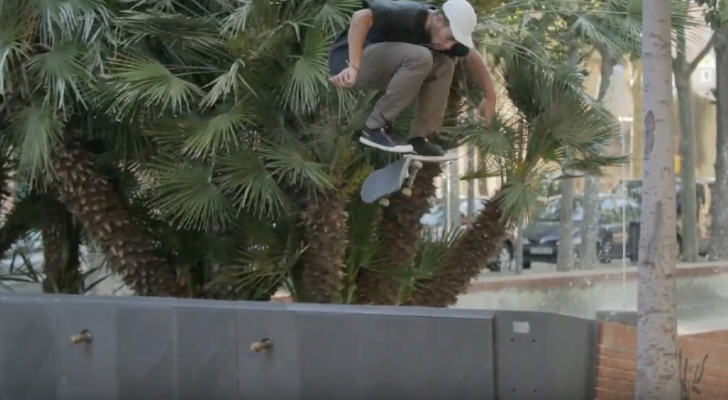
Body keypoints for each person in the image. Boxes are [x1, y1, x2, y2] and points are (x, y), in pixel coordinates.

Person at [328, 0, 496, 161]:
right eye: (449, 38)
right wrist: (353, 67)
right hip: (350, 61)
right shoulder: (408, 13)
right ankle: (375, 128)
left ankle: (421, 138)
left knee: (444, 63)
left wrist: (490, 97)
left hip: (384, 68)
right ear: (438, 20)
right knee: (421, 56)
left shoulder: (447, 39)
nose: (448, 46)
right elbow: (360, 17)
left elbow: (473, 57)